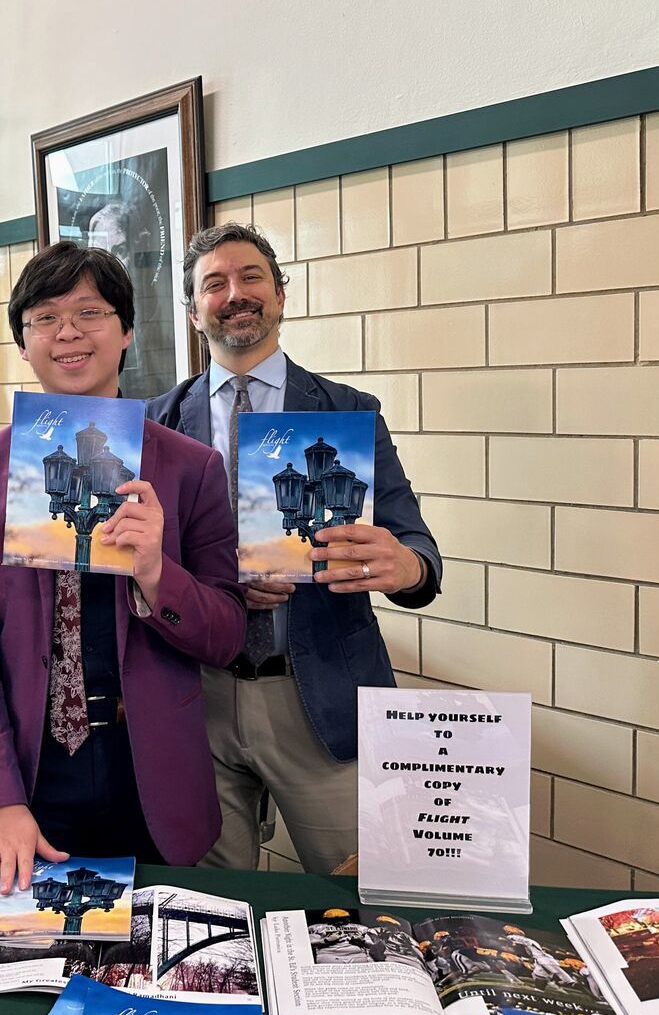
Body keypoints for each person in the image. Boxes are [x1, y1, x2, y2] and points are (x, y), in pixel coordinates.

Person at [0, 241, 244, 894]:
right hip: (27, 772)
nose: (68, 332)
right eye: (45, 317)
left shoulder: (190, 469)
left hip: (150, 776)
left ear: (126, 331)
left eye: (89, 312)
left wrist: (157, 574)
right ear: (23, 344)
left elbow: (226, 636)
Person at [147, 222, 442, 875]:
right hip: (195, 699)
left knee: (359, 895)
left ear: (280, 294)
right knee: (213, 904)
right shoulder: (154, 422)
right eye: (214, 284)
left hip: (319, 697)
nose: (235, 294)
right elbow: (137, 561)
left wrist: (405, 565)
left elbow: (418, 548)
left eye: (251, 277)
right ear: (194, 312)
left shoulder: (347, 413)